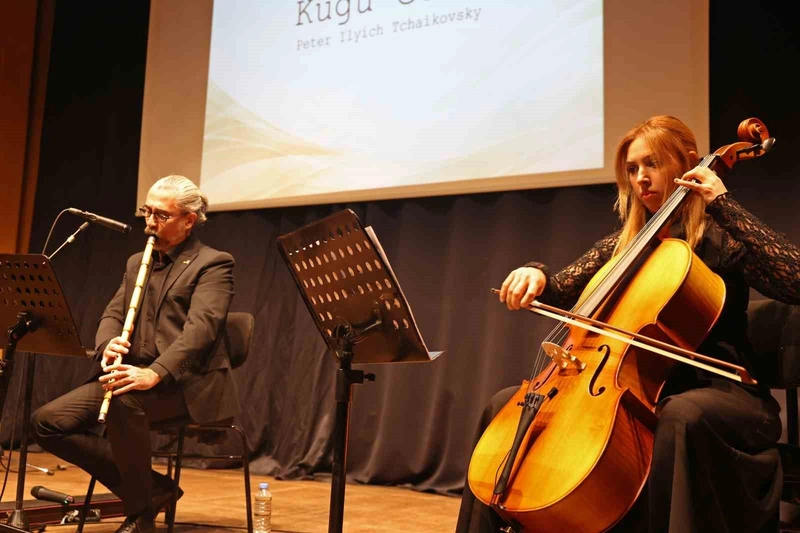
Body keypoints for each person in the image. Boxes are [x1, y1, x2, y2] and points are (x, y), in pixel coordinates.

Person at [456, 115, 800, 533]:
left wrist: (722, 203)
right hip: (636, 387)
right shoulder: (627, 245)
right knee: (504, 404)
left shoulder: (720, 237)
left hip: (719, 391)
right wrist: (536, 274)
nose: (640, 178)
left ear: (688, 162)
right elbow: (561, 287)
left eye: (652, 164)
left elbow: (794, 279)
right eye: (633, 169)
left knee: (681, 414)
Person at [32, 175, 237, 533]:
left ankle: (140, 515)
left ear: (189, 220)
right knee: (47, 422)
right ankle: (152, 490)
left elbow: (202, 330)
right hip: (132, 377)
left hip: (185, 383)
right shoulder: (136, 262)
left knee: (125, 403)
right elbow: (112, 314)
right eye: (147, 211)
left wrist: (155, 372)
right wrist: (106, 344)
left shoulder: (213, 263)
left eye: (161, 215)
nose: (149, 223)